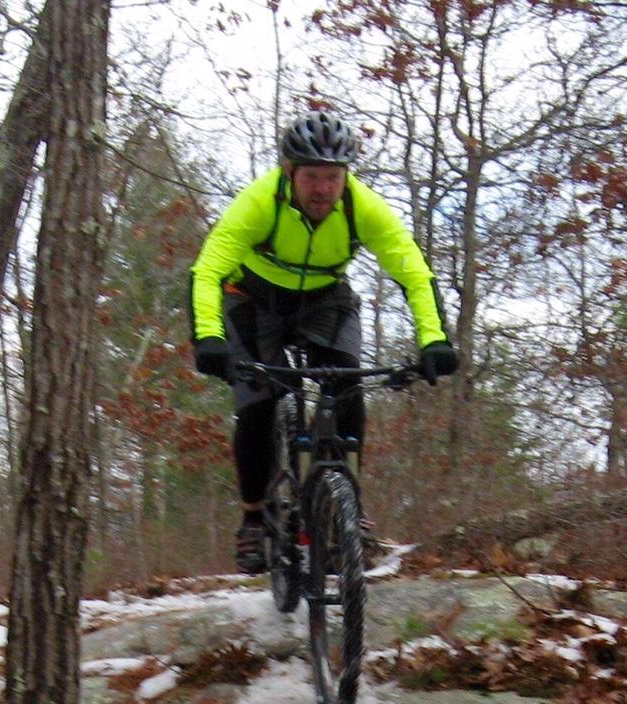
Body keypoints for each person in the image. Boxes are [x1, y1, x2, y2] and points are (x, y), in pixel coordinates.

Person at [189, 109, 459, 573]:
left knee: (347, 384)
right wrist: (208, 337)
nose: (322, 189)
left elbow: (415, 273)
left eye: (332, 178)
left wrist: (434, 340)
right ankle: (254, 519)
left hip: (324, 300)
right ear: (290, 173)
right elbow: (208, 269)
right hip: (253, 299)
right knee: (257, 403)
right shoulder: (259, 203)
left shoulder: (363, 207)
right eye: (312, 177)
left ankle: (347, 505)